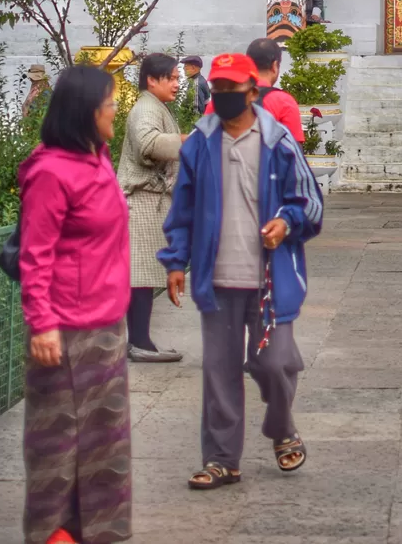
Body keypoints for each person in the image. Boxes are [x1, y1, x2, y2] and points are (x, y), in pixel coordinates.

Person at [159, 52, 324, 490]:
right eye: (218, 90)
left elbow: (311, 203)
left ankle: (282, 427)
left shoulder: (279, 142)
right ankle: (220, 459)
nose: (223, 97)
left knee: (274, 363)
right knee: (219, 370)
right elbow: (183, 210)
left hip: (271, 279)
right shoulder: (199, 143)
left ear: (253, 91)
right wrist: (176, 261)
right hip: (216, 280)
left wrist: (286, 222)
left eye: (232, 90)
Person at [18, 65, 132, 544]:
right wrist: (42, 322)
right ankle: (52, 533)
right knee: (58, 444)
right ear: (88, 112)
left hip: (105, 324)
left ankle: (98, 532)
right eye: (110, 104)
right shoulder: (51, 171)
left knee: (105, 444)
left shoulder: (97, 157)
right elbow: (34, 253)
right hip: (64, 330)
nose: (115, 110)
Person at [118, 52, 185, 362]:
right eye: (171, 77)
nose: (177, 83)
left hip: (150, 202)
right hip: (141, 202)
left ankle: (140, 341)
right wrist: (188, 141)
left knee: (142, 275)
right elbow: (148, 144)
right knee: (140, 276)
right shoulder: (146, 108)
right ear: (152, 80)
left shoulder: (153, 106)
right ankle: (140, 343)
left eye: (176, 77)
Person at [203, 38, 305, 144]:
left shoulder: (220, 99)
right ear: (275, 66)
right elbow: (293, 152)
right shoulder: (284, 102)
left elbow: (205, 141)